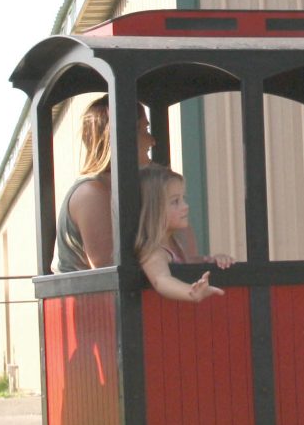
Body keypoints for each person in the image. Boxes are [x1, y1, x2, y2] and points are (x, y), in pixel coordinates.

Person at [56, 97, 201, 271]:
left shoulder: (144, 188)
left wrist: (165, 189)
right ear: (122, 135)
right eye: (145, 130)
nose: (152, 140)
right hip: (91, 298)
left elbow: (189, 256)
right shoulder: (91, 193)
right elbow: (109, 268)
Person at [133, 165, 232, 303]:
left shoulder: (175, 243)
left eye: (183, 198)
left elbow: (190, 261)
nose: (186, 206)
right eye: (175, 202)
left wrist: (214, 260)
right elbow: (161, 279)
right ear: (153, 209)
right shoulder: (153, 251)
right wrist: (190, 292)